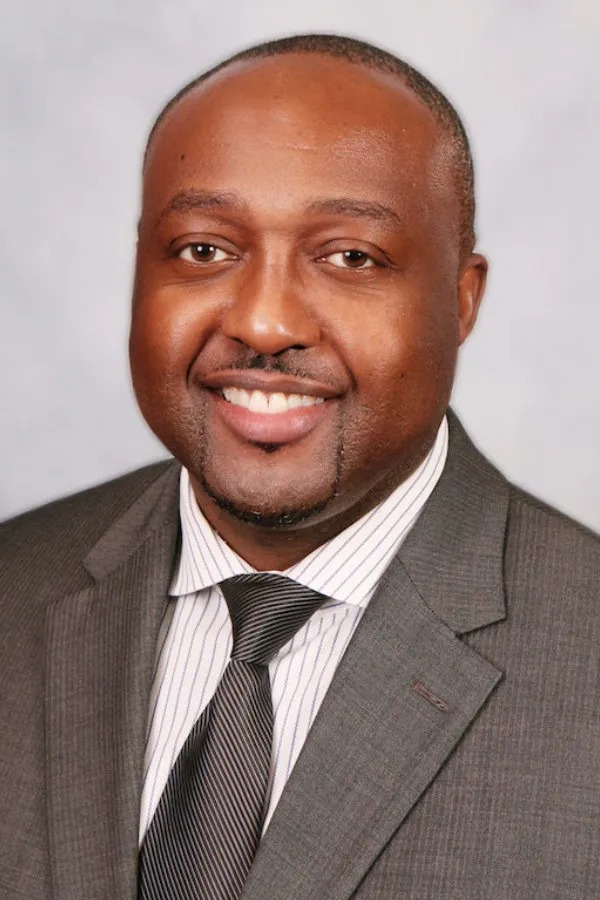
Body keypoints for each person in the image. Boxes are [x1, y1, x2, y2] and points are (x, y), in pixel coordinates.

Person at [1, 33, 599, 900]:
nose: (265, 322)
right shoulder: (15, 585)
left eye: (351, 256)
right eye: (204, 250)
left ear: (461, 298)